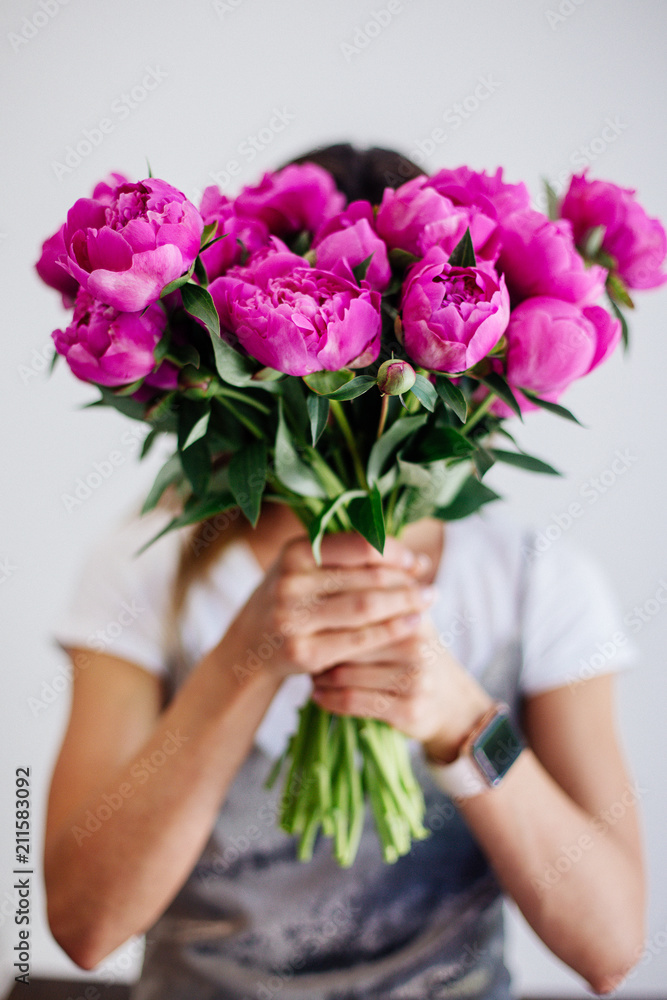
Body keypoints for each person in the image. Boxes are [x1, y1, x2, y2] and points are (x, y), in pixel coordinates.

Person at [44, 145, 646, 1000]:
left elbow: (612, 944)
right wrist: (243, 659)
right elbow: (81, 924)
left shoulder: (534, 581)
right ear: (233, 323)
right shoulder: (147, 564)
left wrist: (465, 720)